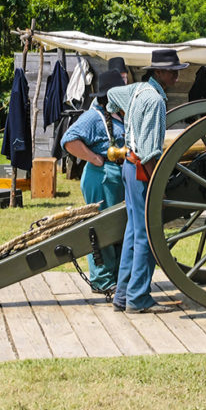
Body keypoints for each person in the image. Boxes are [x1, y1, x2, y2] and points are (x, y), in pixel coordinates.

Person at [106, 49, 189, 314]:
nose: (176, 74)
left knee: (134, 233)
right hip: (143, 170)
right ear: (158, 72)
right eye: (172, 70)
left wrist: (114, 112)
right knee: (148, 236)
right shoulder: (154, 101)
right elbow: (151, 152)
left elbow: (111, 96)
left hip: (129, 167)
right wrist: (160, 186)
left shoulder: (138, 90)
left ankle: (122, 295)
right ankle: (138, 298)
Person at [61, 70, 127, 294]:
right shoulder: (94, 117)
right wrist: (94, 158)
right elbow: (68, 140)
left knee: (117, 227)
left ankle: (116, 277)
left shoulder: (118, 115)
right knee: (102, 229)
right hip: (102, 178)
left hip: (116, 178)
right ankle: (103, 280)